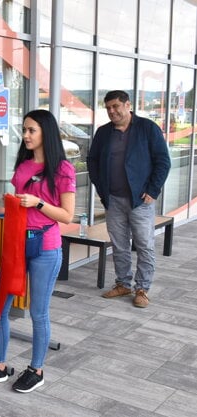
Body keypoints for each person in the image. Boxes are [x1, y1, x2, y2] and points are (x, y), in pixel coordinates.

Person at [0, 109, 75, 393]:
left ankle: (36, 370)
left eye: (31, 130)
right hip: (16, 245)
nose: (26, 135)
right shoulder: (23, 165)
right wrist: (5, 208)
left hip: (45, 247)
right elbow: (19, 204)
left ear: (46, 134)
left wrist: (37, 203)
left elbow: (67, 216)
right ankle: (0, 366)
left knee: (38, 312)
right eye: (25, 130)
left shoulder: (63, 170)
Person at [88, 90, 171, 308]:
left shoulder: (147, 128)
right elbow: (92, 161)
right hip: (113, 199)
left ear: (128, 105)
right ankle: (123, 283)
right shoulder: (103, 132)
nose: (111, 111)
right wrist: (100, 187)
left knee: (144, 244)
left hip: (140, 201)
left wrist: (153, 190)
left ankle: (142, 288)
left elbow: (163, 162)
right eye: (108, 108)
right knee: (119, 245)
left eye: (115, 106)